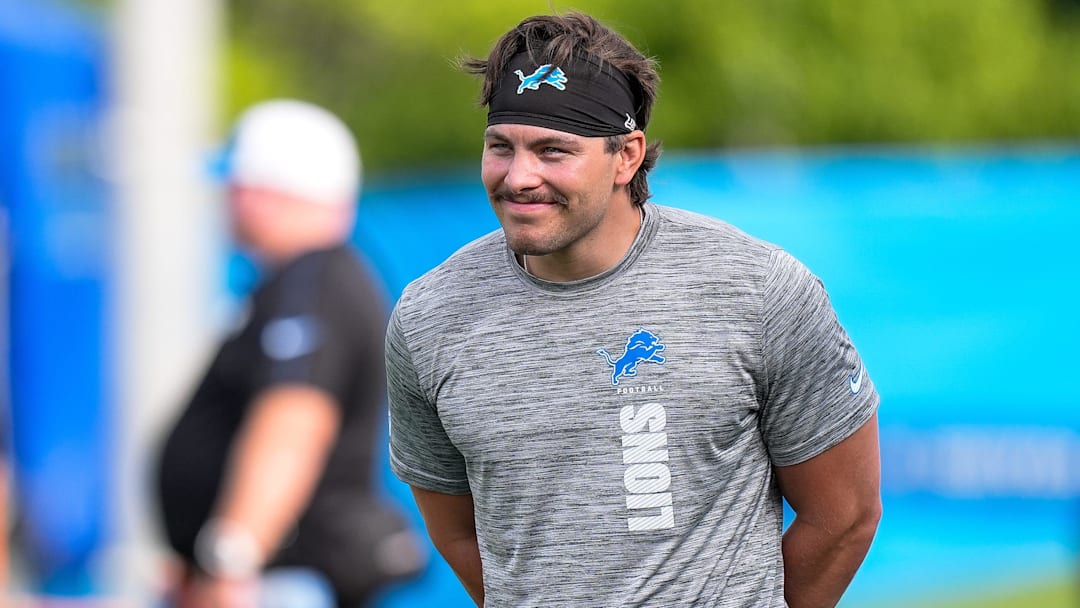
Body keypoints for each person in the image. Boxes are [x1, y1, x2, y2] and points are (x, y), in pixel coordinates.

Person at [385, 11, 881, 608]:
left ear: (627, 156)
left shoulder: (757, 289)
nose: (519, 177)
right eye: (501, 147)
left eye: (552, 150)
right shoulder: (429, 316)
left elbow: (845, 516)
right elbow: (458, 534)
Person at [154, 99, 424, 608]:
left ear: (265, 191)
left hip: (279, 582)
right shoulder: (304, 280)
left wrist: (230, 559)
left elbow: (293, 422)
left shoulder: (315, 281)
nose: (226, 201)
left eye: (235, 186)